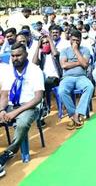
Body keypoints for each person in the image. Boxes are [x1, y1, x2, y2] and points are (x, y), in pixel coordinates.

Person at [0, 43, 44, 178]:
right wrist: (2, 109)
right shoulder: (9, 71)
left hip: (30, 106)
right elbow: (5, 94)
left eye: (18, 55)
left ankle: (7, 154)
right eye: (13, 56)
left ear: (26, 55)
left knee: (22, 123)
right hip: (11, 106)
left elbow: (37, 98)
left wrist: (14, 112)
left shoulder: (35, 70)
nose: (15, 58)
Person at [58, 29, 94, 129]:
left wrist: (75, 50)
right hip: (67, 78)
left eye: (77, 40)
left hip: (81, 77)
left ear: (80, 40)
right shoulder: (64, 50)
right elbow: (63, 65)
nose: (75, 42)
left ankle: (78, 113)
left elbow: (85, 65)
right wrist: (79, 63)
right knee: (61, 91)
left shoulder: (85, 50)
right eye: (73, 40)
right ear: (69, 39)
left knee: (89, 87)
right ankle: (73, 114)